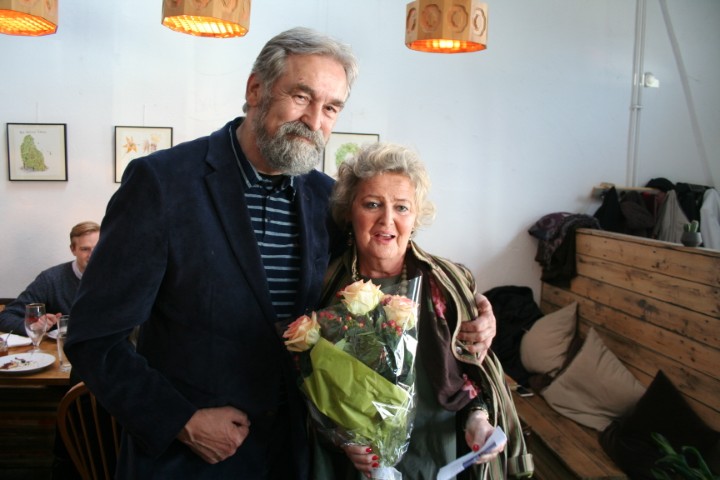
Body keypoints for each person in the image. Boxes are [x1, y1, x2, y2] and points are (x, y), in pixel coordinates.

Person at [64, 27, 494, 480]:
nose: (314, 120)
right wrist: (182, 422)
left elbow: (386, 273)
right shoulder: (162, 184)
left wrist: (471, 313)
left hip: (296, 458)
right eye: (301, 96)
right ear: (256, 90)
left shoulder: (326, 199)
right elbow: (93, 338)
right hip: (186, 462)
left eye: (331, 108)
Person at [311, 142, 533, 479]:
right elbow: (313, 389)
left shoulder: (447, 283)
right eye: (372, 204)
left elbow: (472, 372)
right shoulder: (324, 286)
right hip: (358, 466)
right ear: (349, 211)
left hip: (438, 456)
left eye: (402, 207)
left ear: (415, 217)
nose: (387, 220)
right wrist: (341, 438)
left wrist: (478, 420)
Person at [0, 221, 100, 335]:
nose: (93, 255)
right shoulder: (50, 279)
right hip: (62, 345)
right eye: (85, 249)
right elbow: (5, 317)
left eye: (98, 248)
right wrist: (33, 326)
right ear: (73, 249)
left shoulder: (115, 278)